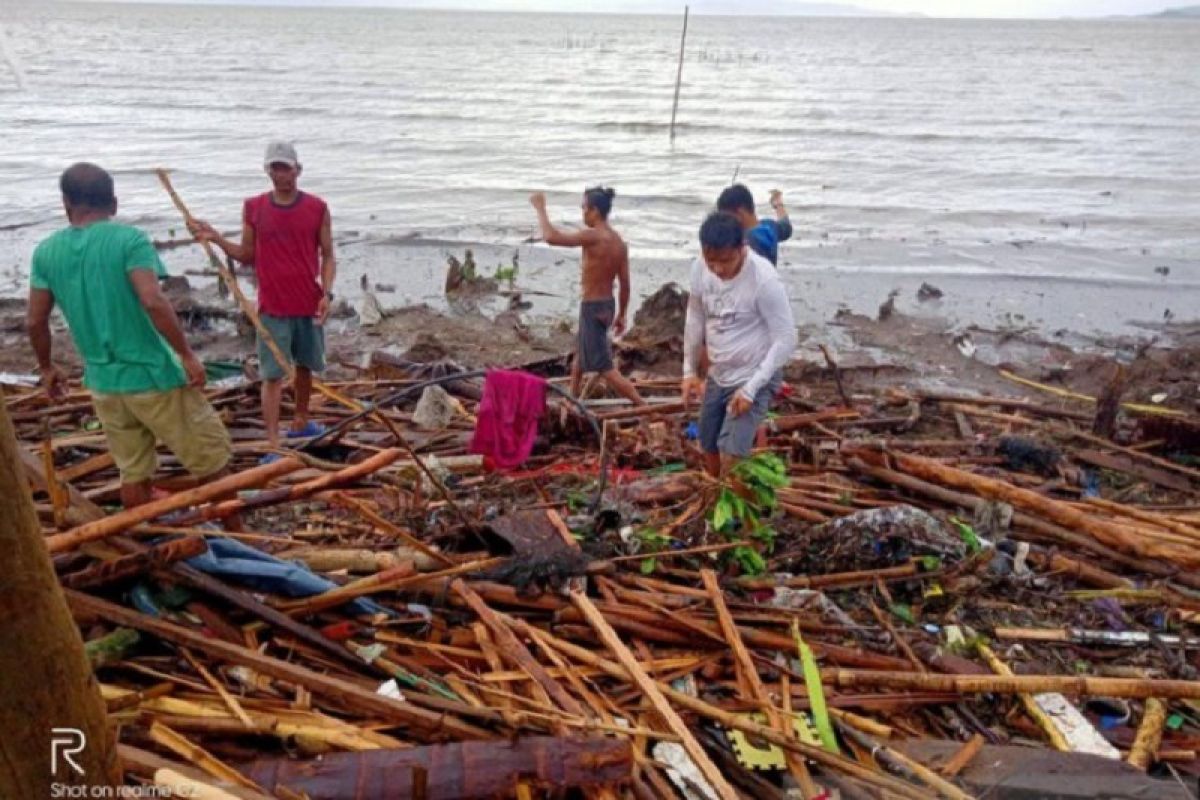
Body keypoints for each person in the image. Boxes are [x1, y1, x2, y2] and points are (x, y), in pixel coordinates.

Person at [27, 163, 233, 509]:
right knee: (212, 459)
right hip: (153, 374)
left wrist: (47, 368)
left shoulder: (46, 252)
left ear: (66, 203)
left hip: (105, 383)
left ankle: (141, 540)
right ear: (114, 204)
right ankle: (239, 533)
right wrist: (186, 354)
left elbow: (35, 320)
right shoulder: (129, 240)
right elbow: (152, 299)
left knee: (133, 471)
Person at [190, 141, 335, 451]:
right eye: (275, 168)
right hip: (272, 306)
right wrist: (215, 238)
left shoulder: (317, 208)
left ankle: (300, 419)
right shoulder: (254, 208)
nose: (280, 174)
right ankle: (272, 442)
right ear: (267, 171)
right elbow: (246, 255)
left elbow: (329, 256)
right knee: (271, 375)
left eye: (286, 167)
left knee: (306, 365)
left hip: (308, 302)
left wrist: (328, 293)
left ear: (298, 169)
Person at [681, 211, 797, 477]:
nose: (718, 269)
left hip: (753, 374)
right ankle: (718, 507)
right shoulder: (700, 268)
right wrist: (689, 371)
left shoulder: (764, 280)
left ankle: (744, 514)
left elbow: (786, 338)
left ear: (741, 248)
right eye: (712, 261)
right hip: (719, 373)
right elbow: (695, 315)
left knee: (732, 455)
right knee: (708, 442)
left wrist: (750, 389)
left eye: (726, 261)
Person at [530, 187, 644, 405]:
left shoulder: (594, 236)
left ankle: (643, 406)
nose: (582, 213)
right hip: (606, 306)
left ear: (594, 211)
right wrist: (621, 314)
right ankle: (572, 398)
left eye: (584, 208)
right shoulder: (619, 242)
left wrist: (540, 208)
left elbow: (552, 237)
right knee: (581, 355)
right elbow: (625, 284)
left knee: (605, 368)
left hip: (592, 307)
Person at [716, 183, 793, 266]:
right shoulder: (770, 227)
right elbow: (786, 226)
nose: (726, 222)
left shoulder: (745, 240)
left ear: (740, 214)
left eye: (726, 218)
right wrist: (778, 204)